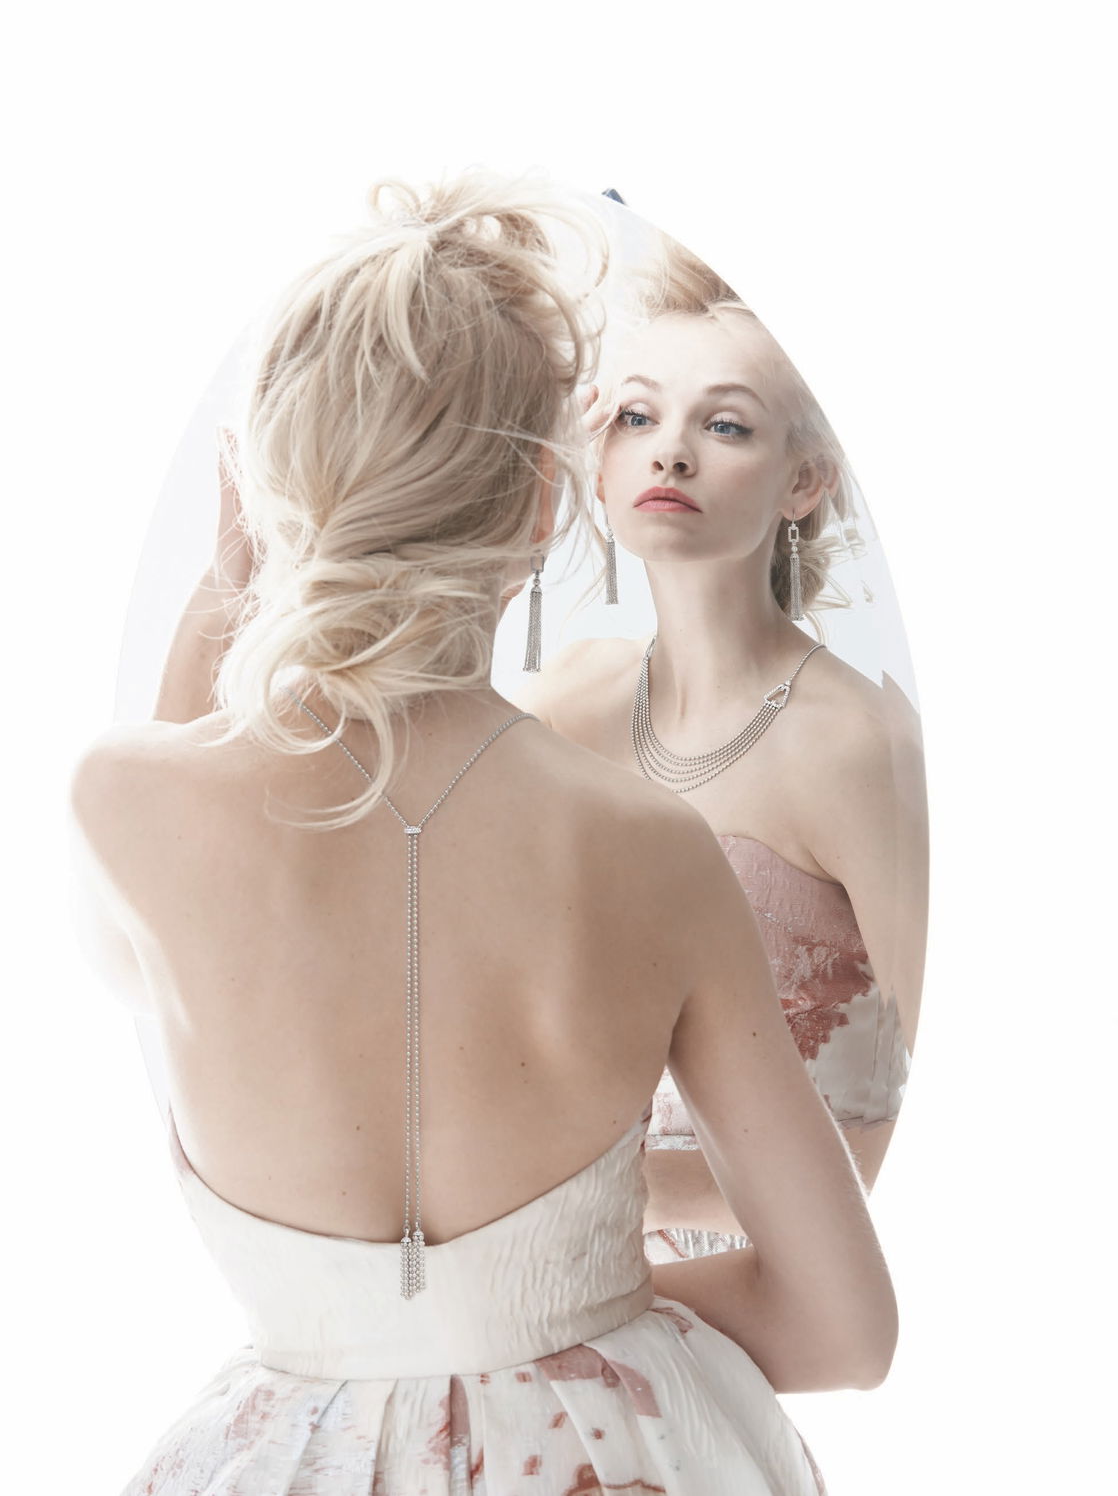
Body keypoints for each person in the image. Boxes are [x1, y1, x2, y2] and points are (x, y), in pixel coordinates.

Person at [69, 168, 896, 1495]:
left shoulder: (121, 805)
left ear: (266, 485)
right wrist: (562, 1309)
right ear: (541, 509)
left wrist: (245, 556)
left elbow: (194, 772)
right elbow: (840, 1334)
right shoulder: (648, 845)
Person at [516, 238, 928, 1265]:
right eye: (635, 417)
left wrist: (635, 1192)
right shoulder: (569, 700)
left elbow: (957, 1102)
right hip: (578, 1267)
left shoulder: (856, 744)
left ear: (804, 481)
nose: (669, 453)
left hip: (789, 1284)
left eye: (726, 424)